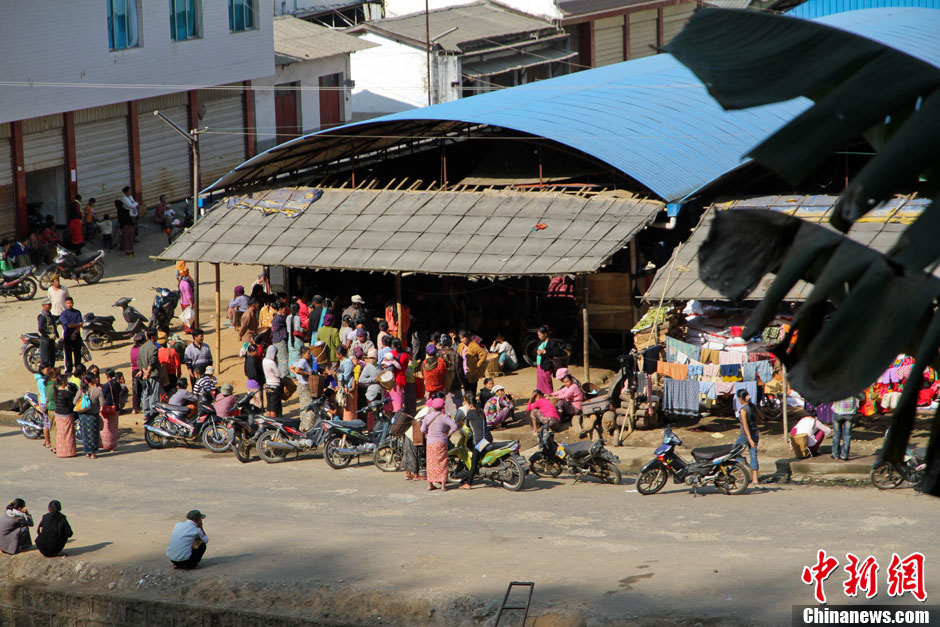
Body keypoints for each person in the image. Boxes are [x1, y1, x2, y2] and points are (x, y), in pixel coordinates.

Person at [420, 397, 458, 491]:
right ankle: (443, 485)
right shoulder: (444, 417)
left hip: (430, 442)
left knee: (430, 462)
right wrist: (448, 433)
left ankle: (430, 484)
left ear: (433, 406)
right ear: (442, 407)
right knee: (442, 462)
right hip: (441, 442)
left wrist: (428, 433)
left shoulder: (427, 417)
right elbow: (454, 426)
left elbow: (422, 429)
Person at [458, 396, 491, 489]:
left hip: (482, 441)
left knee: (474, 463)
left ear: (471, 405)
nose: (466, 406)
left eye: (467, 404)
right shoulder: (481, 412)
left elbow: (467, 425)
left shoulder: (470, 413)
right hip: (489, 439)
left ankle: (468, 483)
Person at [735, 389, 761, 485]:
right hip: (755, 434)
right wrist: (754, 423)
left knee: (735, 453)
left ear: (740, 398)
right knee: (753, 455)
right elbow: (762, 417)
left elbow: (745, 426)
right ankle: (755, 478)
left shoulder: (743, 410)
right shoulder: (753, 407)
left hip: (745, 436)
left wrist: (749, 440)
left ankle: (742, 473)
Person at [290, 346, 318, 430]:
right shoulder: (303, 361)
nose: (309, 355)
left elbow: (291, 367)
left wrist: (298, 377)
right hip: (305, 387)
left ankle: (303, 427)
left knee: (303, 407)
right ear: (303, 354)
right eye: (308, 353)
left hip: (301, 385)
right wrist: (307, 373)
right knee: (310, 408)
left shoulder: (300, 361)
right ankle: (308, 427)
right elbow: (298, 370)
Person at [77, 374, 102, 459]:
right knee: (94, 434)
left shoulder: (82, 390)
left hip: (83, 415)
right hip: (93, 415)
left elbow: (74, 401)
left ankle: (87, 451)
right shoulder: (98, 390)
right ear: (93, 380)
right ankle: (93, 453)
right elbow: (102, 403)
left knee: (85, 433)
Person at [54, 374, 78, 458]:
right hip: (66, 415)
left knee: (60, 433)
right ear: (64, 382)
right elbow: (71, 405)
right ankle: (69, 452)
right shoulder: (66, 393)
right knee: (68, 434)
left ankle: (60, 451)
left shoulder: (56, 392)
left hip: (58, 414)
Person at [457, 330, 487, 398]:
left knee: (472, 391)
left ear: (467, 337)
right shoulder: (461, 345)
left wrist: (478, 365)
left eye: (463, 338)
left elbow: (483, 355)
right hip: (464, 372)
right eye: (460, 338)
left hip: (472, 372)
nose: (461, 340)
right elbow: (458, 355)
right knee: (466, 391)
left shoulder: (474, 346)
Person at [137, 330, 161, 414]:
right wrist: (148, 372)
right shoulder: (154, 347)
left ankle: (146, 412)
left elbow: (139, 362)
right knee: (154, 394)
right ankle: (153, 413)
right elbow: (152, 362)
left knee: (146, 394)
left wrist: (145, 372)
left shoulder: (142, 347)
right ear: (153, 337)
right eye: (157, 335)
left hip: (145, 375)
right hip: (153, 374)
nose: (158, 337)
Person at [831, 395, 859, 461]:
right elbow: (862, 397)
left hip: (837, 413)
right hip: (849, 414)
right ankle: (844, 455)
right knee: (847, 435)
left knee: (836, 434)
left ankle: (835, 454)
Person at [100, 369, 121, 451]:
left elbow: (103, 395)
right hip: (116, 408)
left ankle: (106, 445)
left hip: (108, 408)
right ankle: (113, 446)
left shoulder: (107, 385)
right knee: (114, 428)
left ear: (107, 376)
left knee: (107, 428)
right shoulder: (117, 384)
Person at [535, 326, 559, 395]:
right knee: (540, 381)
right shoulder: (541, 342)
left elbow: (556, 352)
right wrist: (537, 351)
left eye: (540, 335)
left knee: (546, 381)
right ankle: (541, 395)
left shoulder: (552, 342)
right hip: (539, 364)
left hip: (546, 365)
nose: (539, 337)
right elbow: (535, 350)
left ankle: (549, 395)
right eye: (538, 335)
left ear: (545, 334)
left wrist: (546, 352)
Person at [37, 298, 58, 369]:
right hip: (45, 339)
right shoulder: (42, 316)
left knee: (52, 357)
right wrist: (46, 336)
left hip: (51, 338)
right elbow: (40, 328)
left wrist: (56, 333)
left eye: (50, 304)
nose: (50, 305)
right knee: (46, 358)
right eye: (48, 304)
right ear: (43, 305)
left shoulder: (50, 315)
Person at [263, 345, 282, 417]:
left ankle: (268, 421)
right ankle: (274, 421)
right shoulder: (272, 362)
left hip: (268, 384)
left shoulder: (264, 361)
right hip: (275, 384)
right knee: (274, 407)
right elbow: (278, 374)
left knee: (269, 406)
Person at [244, 343, 264, 408]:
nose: (257, 352)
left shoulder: (247, 358)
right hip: (255, 384)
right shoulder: (252, 360)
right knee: (257, 404)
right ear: (252, 351)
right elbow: (254, 374)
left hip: (249, 383)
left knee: (252, 403)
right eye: (256, 351)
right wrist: (261, 380)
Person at [129, 333, 145, 413]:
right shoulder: (141, 349)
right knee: (143, 389)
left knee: (135, 390)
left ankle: (135, 408)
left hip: (134, 371)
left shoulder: (132, 349)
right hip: (141, 370)